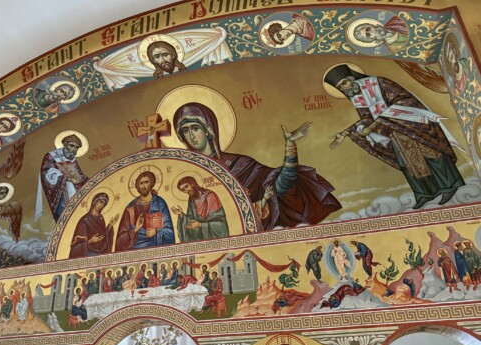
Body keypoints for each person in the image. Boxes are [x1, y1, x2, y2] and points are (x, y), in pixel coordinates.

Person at [173, 103, 340, 230]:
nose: (191, 135)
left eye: (195, 128)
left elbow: (278, 188)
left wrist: (290, 147)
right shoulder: (188, 175)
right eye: (185, 131)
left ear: (208, 130)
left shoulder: (241, 164)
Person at [327, 64, 465, 210]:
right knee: (407, 162)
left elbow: (403, 100)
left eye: (344, 83)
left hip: (413, 123)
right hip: (394, 132)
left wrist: (374, 125)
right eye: (340, 87)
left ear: (351, 77)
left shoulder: (379, 82)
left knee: (431, 154)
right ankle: (425, 193)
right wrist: (346, 133)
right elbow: (367, 117)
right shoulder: (357, 97)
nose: (344, 88)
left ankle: (450, 185)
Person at [115, 170, 175, 251]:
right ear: (137, 186)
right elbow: (120, 240)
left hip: (155, 248)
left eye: (146, 182)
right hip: (134, 250)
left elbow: (169, 231)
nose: (144, 186)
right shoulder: (130, 208)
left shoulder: (159, 203)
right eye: (141, 183)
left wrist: (156, 232)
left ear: (151, 184)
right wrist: (135, 229)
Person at [39, 133, 89, 221]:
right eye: (71, 146)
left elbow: (79, 175)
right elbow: (45, 172)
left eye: (76, 148)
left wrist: (89, 180)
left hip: (73, 190)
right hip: (60, 191)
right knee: (64, 213)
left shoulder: (72, 159)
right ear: (65, 144)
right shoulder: (52, 156)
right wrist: (64, 178)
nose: (74, 149)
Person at [171, 176, 229, 242]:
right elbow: (191, 220)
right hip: (201, 237)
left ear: (192, 184)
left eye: (186, 186)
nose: (186, 190)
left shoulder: (210, 196)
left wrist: (200, 225)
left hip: (214, 235)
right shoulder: (191, 200)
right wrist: (181, 214)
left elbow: (221, 225)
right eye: (183, 190)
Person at [69, 192, 119, 258]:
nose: (101, 205)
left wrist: (110, 225)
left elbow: (103, 237)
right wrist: (90, 241)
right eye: (101, 202)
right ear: (95, 201)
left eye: (104, 204)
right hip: (88, 254)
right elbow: (76, 246)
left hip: (100, 253)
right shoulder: (84, 220)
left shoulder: (101, 218)